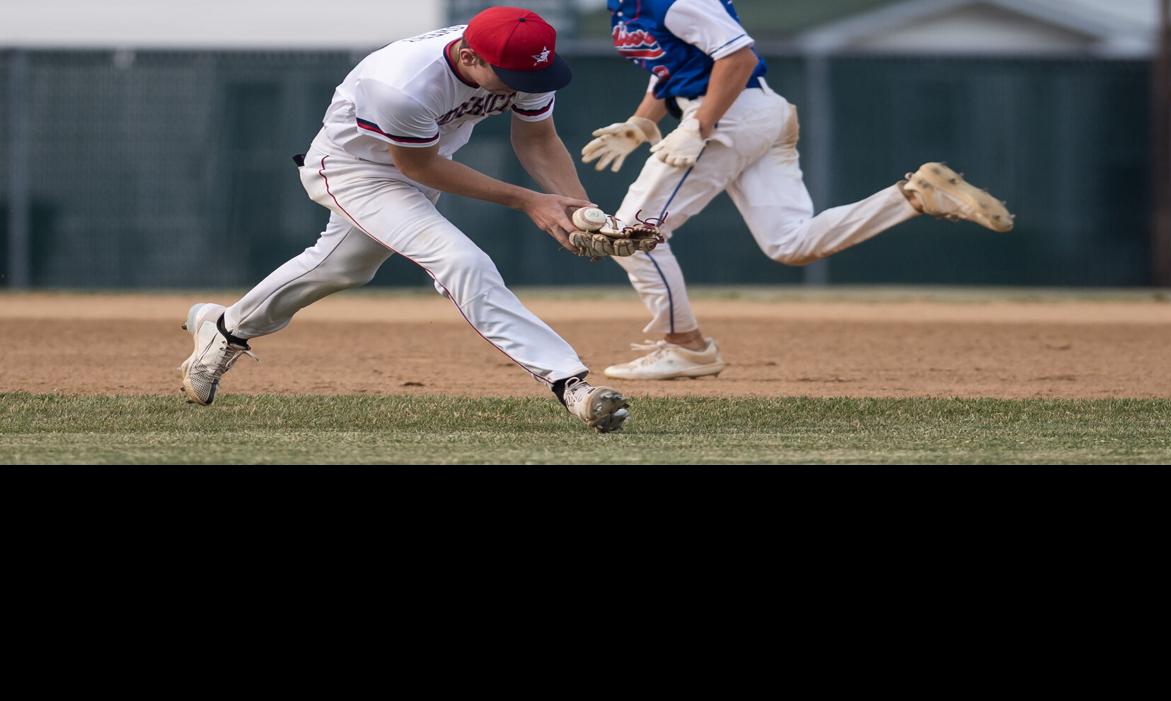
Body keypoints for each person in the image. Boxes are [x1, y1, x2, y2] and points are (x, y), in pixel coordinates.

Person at [179, 5, 633, 432]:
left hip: (418, 162)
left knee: (341, 266)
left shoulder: (525, 64)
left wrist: (580, 211)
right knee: (462, 262)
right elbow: (420, 167)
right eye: (511, 76)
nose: (525, 84)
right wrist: (530, 201)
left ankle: (224, 329)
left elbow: (536, 140)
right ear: (469, 56)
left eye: (534, 74)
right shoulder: (402, 84)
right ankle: (569, 383)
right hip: (354, 171)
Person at [579, 0, 1014, 381]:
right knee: (790, 243)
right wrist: (643, 121)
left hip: (731, 113)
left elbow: (737, 59)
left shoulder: (672, 0)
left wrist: (697, 125)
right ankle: (914, 196)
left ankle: (685, 346)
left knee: (631, 234)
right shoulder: (627, 4)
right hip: (748, 113)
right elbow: (673, 67)